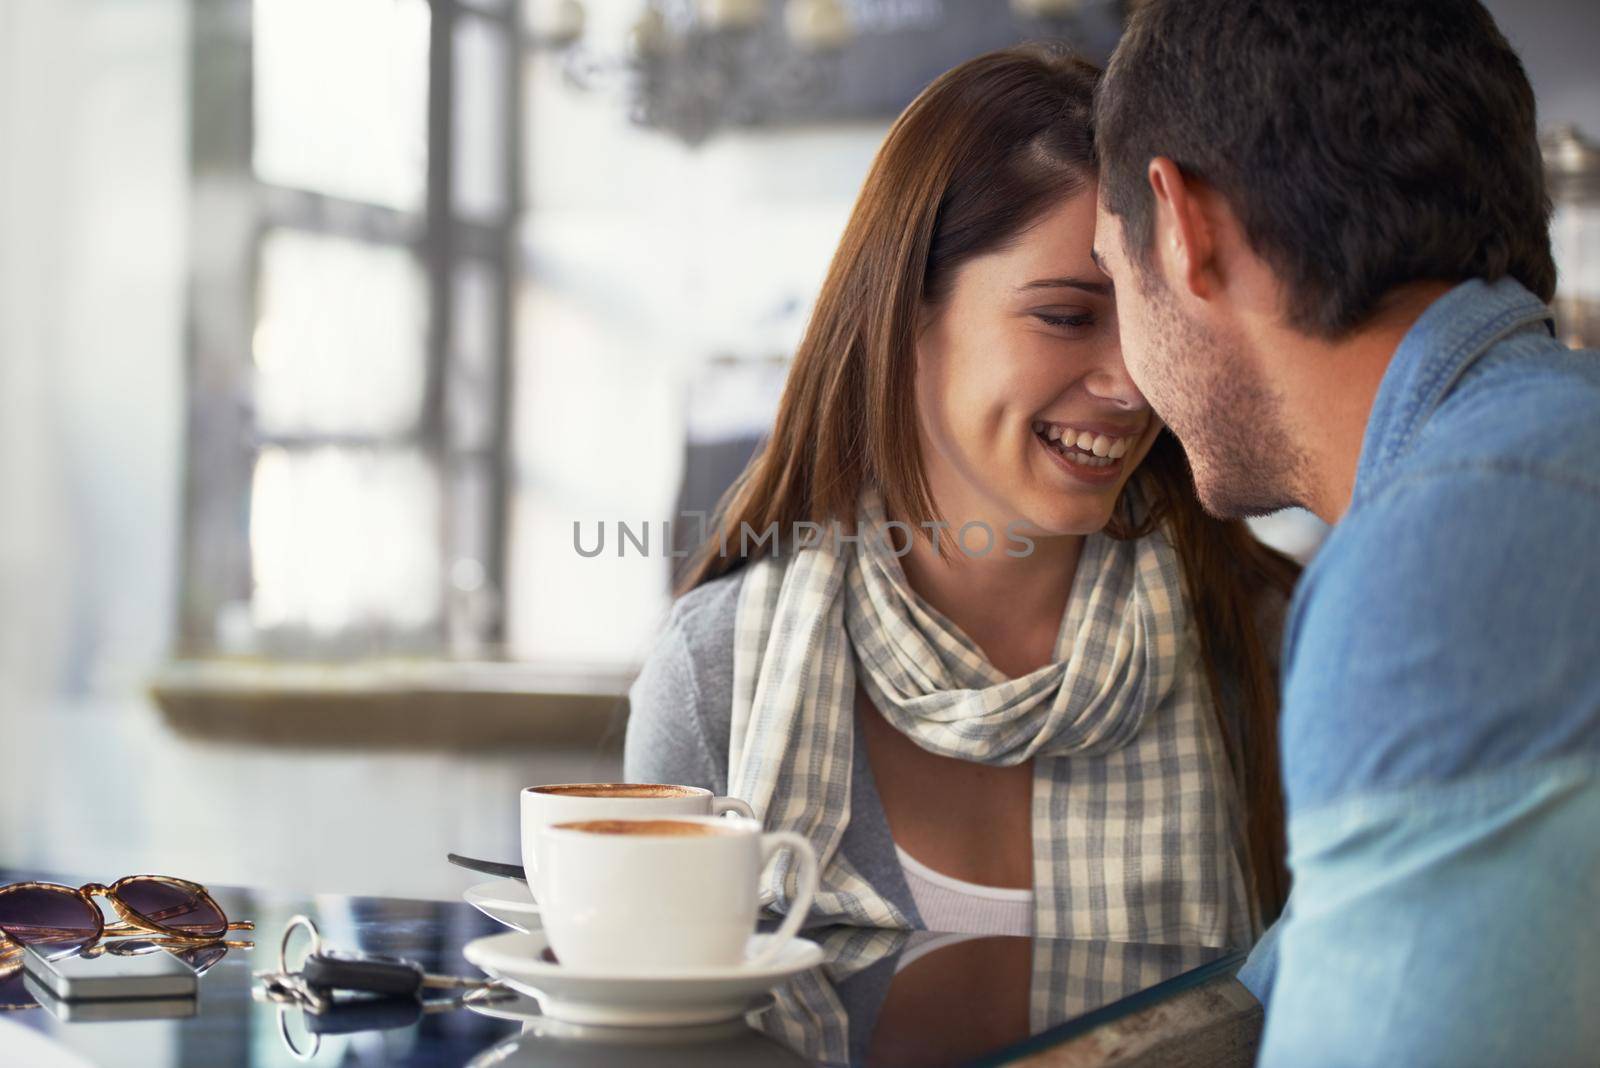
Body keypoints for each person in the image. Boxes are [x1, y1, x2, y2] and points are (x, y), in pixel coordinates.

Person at [625, 46, 1299, 950]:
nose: (1134, 385)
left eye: (1155, 320)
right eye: (1067, 315)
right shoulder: (716, 677)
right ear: (907, 315)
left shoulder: (1266, 645)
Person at [1092, 1, 1600, 1063]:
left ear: (1183, 227)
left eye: (1105, 281)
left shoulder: (1451, 544)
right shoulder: (1543, 454)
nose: (1116, 384)